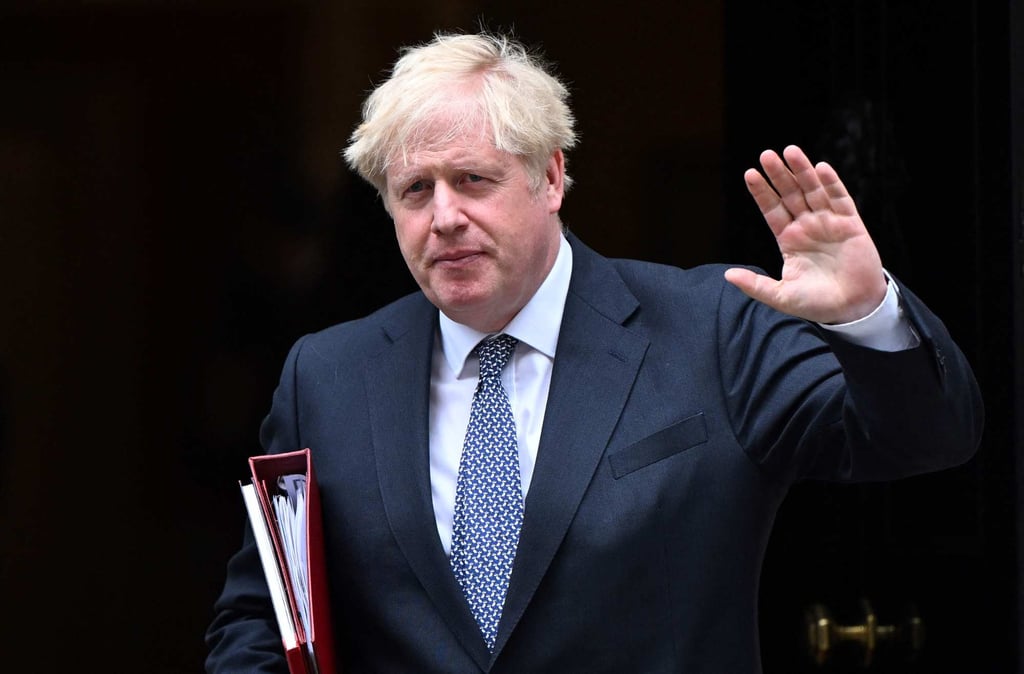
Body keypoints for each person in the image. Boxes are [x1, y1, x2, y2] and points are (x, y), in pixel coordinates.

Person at [205, 31, 983, 673]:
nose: (444, 217)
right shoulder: (328, 376)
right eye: (416, 191)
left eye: (473, 180)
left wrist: (865, 314)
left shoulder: (712, 328)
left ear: (550, 178)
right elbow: (266, 619)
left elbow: (926, 439)